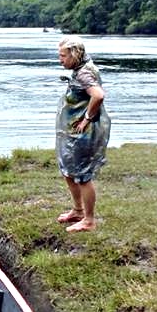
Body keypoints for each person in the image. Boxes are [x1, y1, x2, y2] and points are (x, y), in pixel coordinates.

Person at [56, 35, 110, 233]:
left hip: (85, 132)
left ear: (74, 55)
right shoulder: (81, 68)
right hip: (74, 130)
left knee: (83, 175)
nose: (60, 60)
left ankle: (89, 220)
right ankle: (77, 211)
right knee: (69, 171)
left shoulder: (84, 74)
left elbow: (98, 95)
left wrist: (87, 118)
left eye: (62, 56)